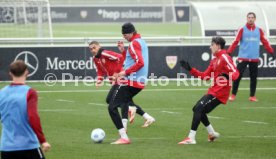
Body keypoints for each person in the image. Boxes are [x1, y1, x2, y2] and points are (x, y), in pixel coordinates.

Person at [178, 37, 240, 144]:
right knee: (197, 110)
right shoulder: (215, 60)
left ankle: (191, 138)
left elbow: (236, 72)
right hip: (214, 90)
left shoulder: (225, 57)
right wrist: (190, 69)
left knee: (198, 109)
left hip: (220, 92)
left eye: (211, 45)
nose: (210, 47)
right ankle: (211, 133)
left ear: (218, 45)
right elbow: (205, 76)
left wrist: (229, 76)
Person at [89, 41, 154, 132]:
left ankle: (124, 126)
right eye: (91, 49)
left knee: (111, 100)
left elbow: (120, 57)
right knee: (126, 102)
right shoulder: (95, 58)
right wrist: (99, 80)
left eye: (94, 47)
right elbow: (100, 71)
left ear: (99, 46)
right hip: (115, 80)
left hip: (121, 79)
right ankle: (148, 117)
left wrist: (117, 72)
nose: (93, 50)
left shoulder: (105, 53)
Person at [107, 22, 155, 144]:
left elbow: (140, 63)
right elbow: (131, 60)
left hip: (130, 81)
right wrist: (123, 51)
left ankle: (124, 137)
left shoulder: (134, 43)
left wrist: (124, 73)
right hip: (138, 82)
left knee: (112, 106)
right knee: (122, 102)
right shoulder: (141, 42)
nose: (124, 37)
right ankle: (131, 108)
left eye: (125, 34)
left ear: (131, 32)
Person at [0, 60, 51, 159]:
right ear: (27, 72)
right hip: (28, 145)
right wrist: (43, 140)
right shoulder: (30, 92)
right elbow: (33, 117)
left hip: (7, 147)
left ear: (10, 73)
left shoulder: (1, 93)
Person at [228, 12, 275, 102]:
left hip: (254, 58)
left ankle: (252, 96)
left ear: (255, 19)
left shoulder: (259, 30)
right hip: (243, 58)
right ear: (247, 18)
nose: (250, 19)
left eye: (252, 17)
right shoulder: (242, 29)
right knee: (237, 76)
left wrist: (272, 52)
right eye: (249, 17)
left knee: (253, 77)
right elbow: (235, 41)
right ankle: (233, 95)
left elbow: (265, 42)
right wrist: (229, 52)